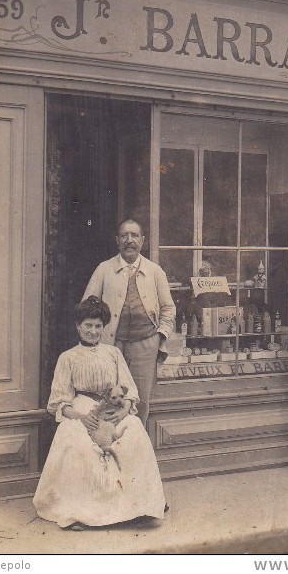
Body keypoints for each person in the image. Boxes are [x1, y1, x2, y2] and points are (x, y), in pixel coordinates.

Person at [33, 296, 166, 530]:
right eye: (88, 326)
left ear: (104, 328)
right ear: (78, 326)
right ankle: (80, 513)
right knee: (75, 439)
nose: (93, 331)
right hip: (82, 409)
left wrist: (124, 412)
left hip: (114, 409)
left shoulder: (113, 353)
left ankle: (140, 505)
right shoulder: (68, 357)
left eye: (97, 326)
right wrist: (81, 417)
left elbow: (129, 390)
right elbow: (59, 402)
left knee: (135, 431)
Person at [83, 219, 176, 425]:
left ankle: (135, 447)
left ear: (142, 241)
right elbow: (87, 307)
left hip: (145, 345)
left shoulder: (154, 271)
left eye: (134, 236)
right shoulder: (104, 269)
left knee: (140, 400)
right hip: (111, 345)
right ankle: (110, 444)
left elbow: (169, 308)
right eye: (124, 235)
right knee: (108, 396)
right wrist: (97, 336)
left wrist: (160, 335)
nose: (129, 240)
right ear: (117, 241)